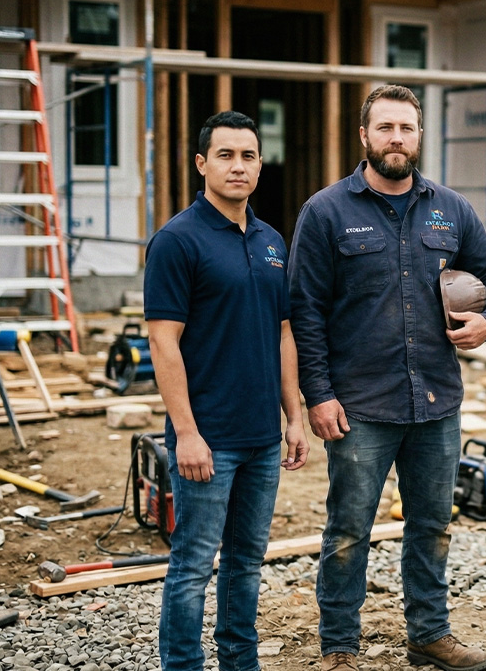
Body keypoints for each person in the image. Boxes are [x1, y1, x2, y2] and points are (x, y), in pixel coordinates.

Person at [288, 85, 486, 671]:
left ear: (418, 136)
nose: (396, 139)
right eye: (384, 128)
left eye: (406, 128)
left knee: (432, 526)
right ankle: (339, 645)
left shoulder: (451, 209)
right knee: (348, 529)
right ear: (364, 136)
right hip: (359, 406)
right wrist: (320, 394)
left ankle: (428, 634)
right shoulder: (326, 211)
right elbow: (304, 311)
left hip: (436, 400)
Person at [146, 110, 309, 671]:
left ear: (260, 165)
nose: (237, 166)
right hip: (208, 439)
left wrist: (295, 416)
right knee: (192, 563)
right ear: (202, 163)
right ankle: (183, 665)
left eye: (248, 156)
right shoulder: (177, 241)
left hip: (264, 437)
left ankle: (240, 661)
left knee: (246, 561)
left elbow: (284, 333)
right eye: (225, 155)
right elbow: (163, 345)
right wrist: (186, 434)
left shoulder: (270, 240)